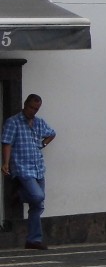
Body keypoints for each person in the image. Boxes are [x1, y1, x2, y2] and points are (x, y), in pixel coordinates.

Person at [1, 94, 56, 250]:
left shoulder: (39, 123)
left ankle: (33, 240)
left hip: (38, 167)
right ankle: (19, 194)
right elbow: (7, 143)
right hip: (22, 167)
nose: (33, 111)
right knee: (38, 196)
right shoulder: (13, 122)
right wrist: (6, 163)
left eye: (36, 109)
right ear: (25, 104)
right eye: (31, 107)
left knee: (37, 205)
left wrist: (43, 144)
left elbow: (52, 133)